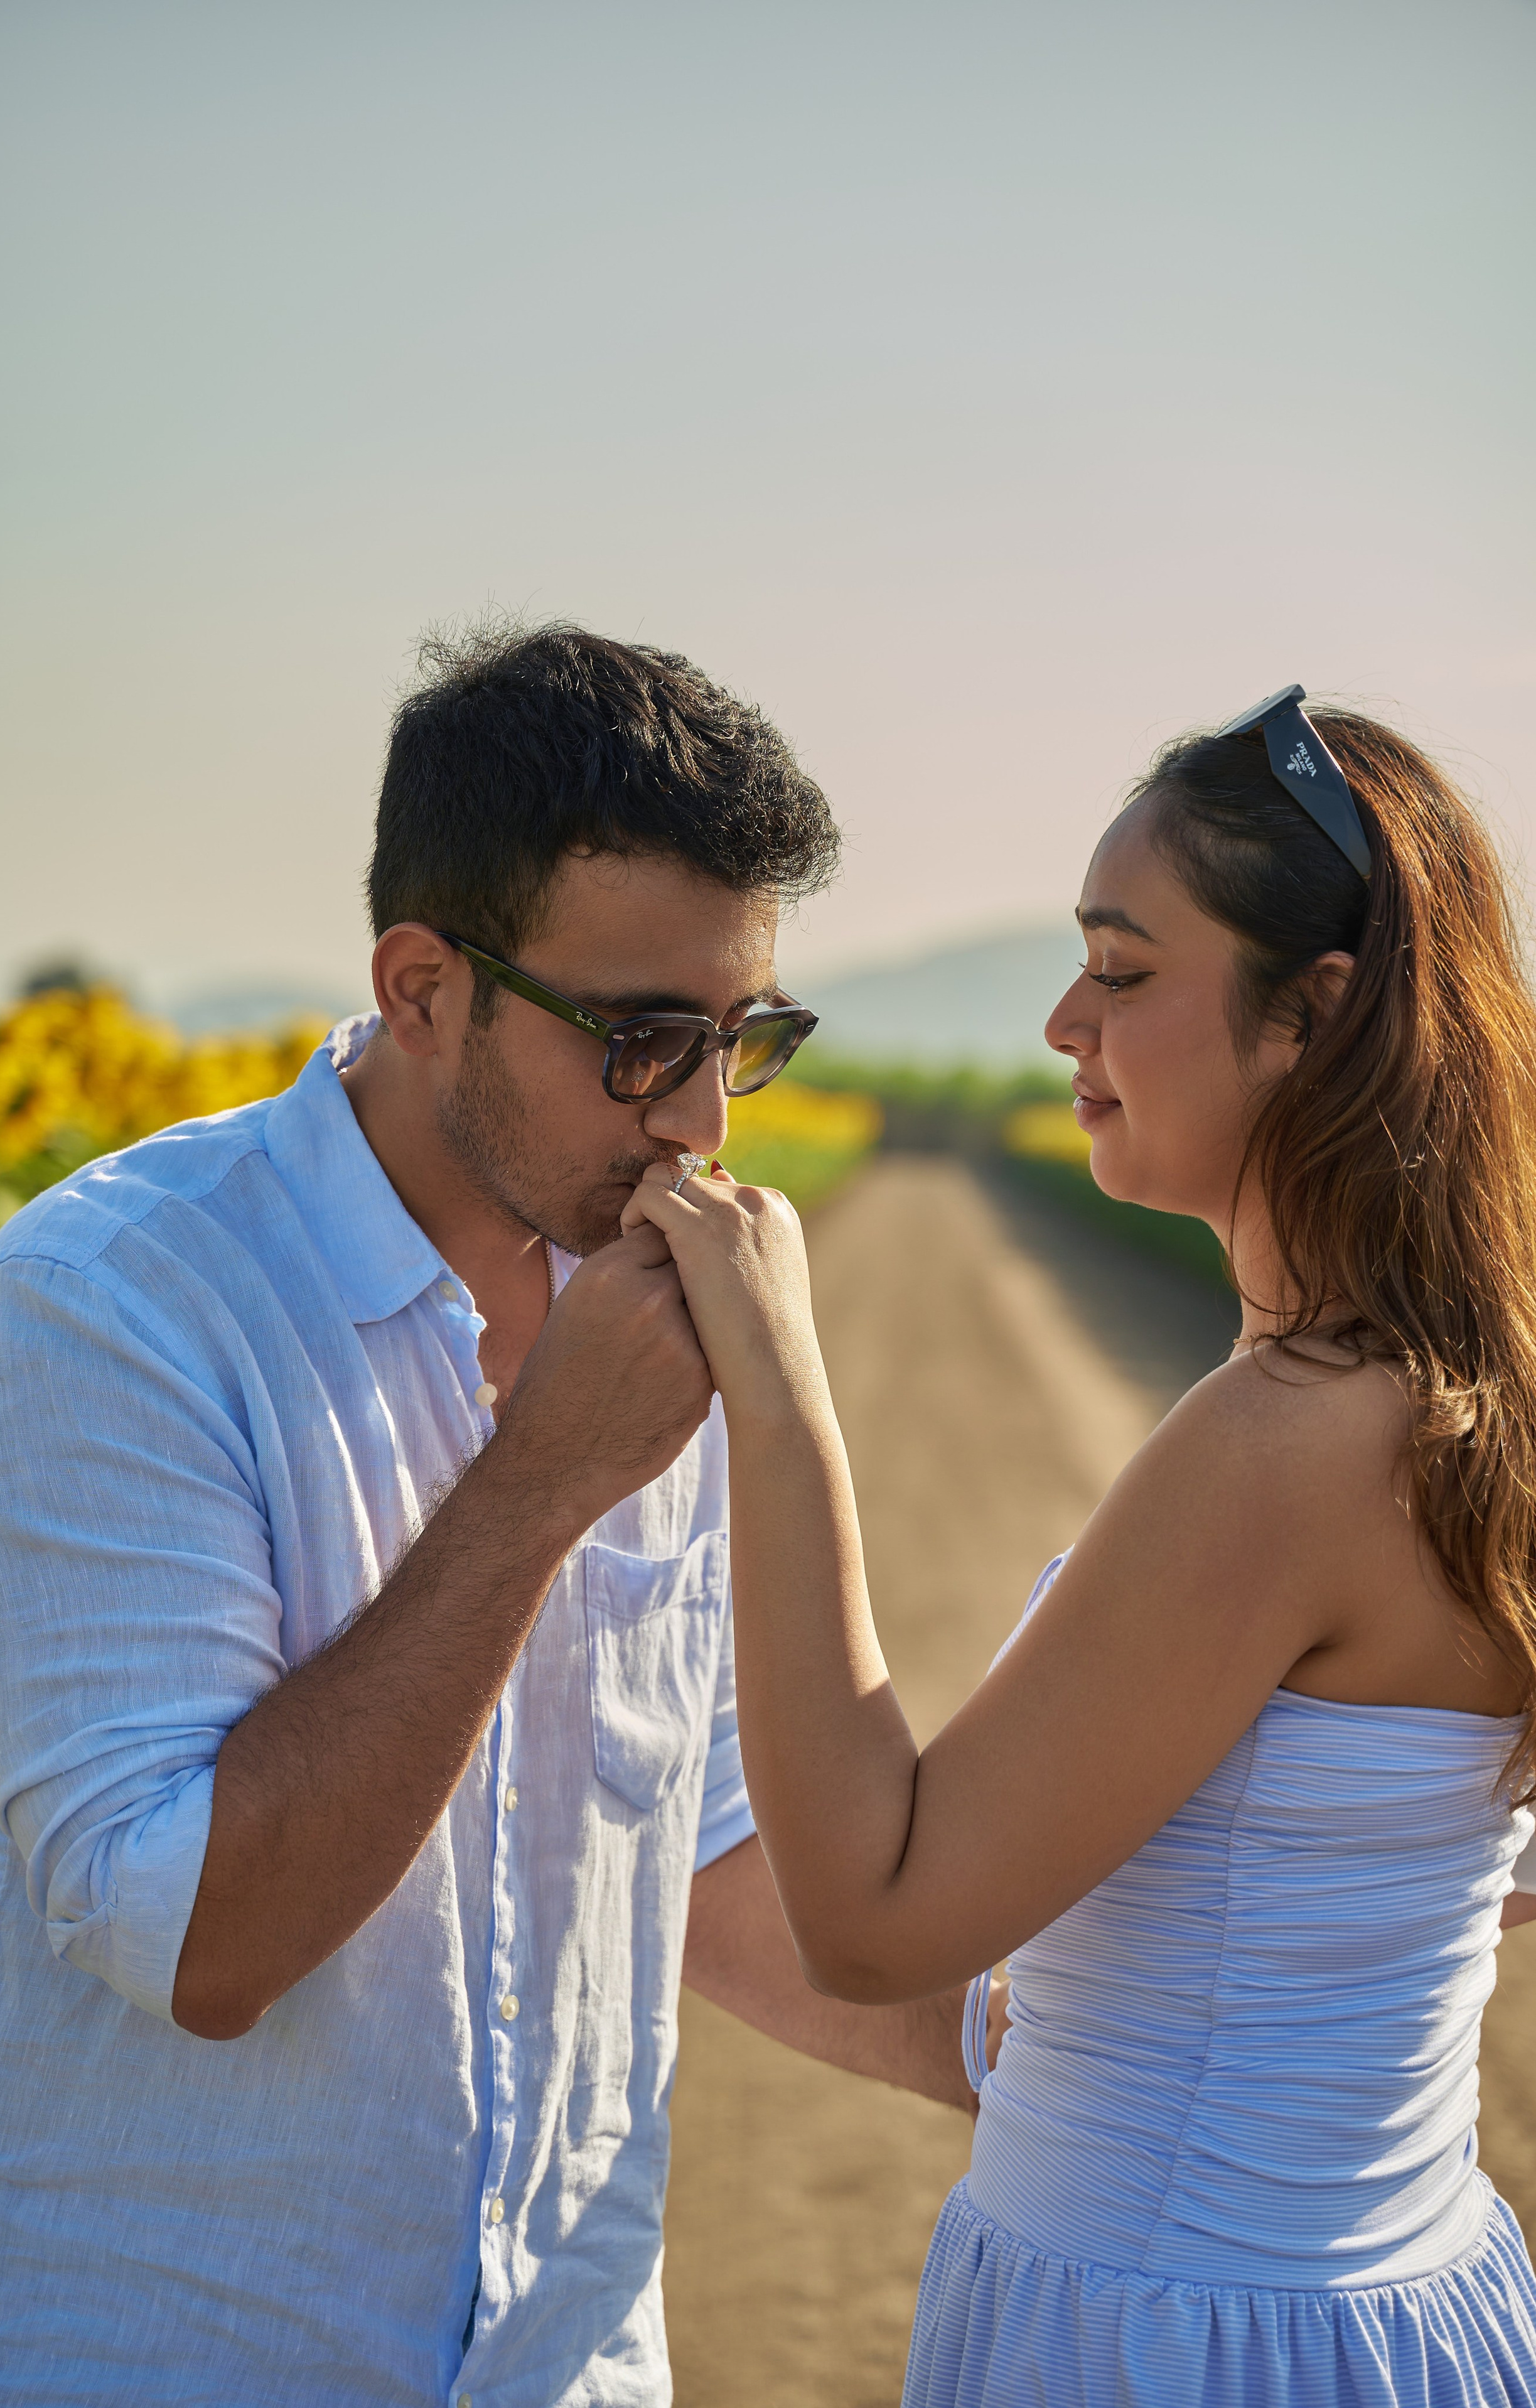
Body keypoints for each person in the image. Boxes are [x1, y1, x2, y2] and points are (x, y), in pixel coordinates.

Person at [0, 623, 984, 2406]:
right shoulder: (107, 1308)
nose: (703, 1123)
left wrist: (1071, 2063)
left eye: (742, 1040)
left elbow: (712, 1852)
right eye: (643, 1041)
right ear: (422, 988)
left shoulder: (650, 1299)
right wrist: (543, 1480)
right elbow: (194, 1939)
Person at [625, 689, 1536, 2405]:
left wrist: (780, 1385)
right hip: (1400, 2297)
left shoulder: (1285, 1440)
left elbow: (875, 1922)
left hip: (1184, 2338)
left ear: (1313, 1015)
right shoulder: (1465, 1401)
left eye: (1122, 971)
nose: (1063, 1022)